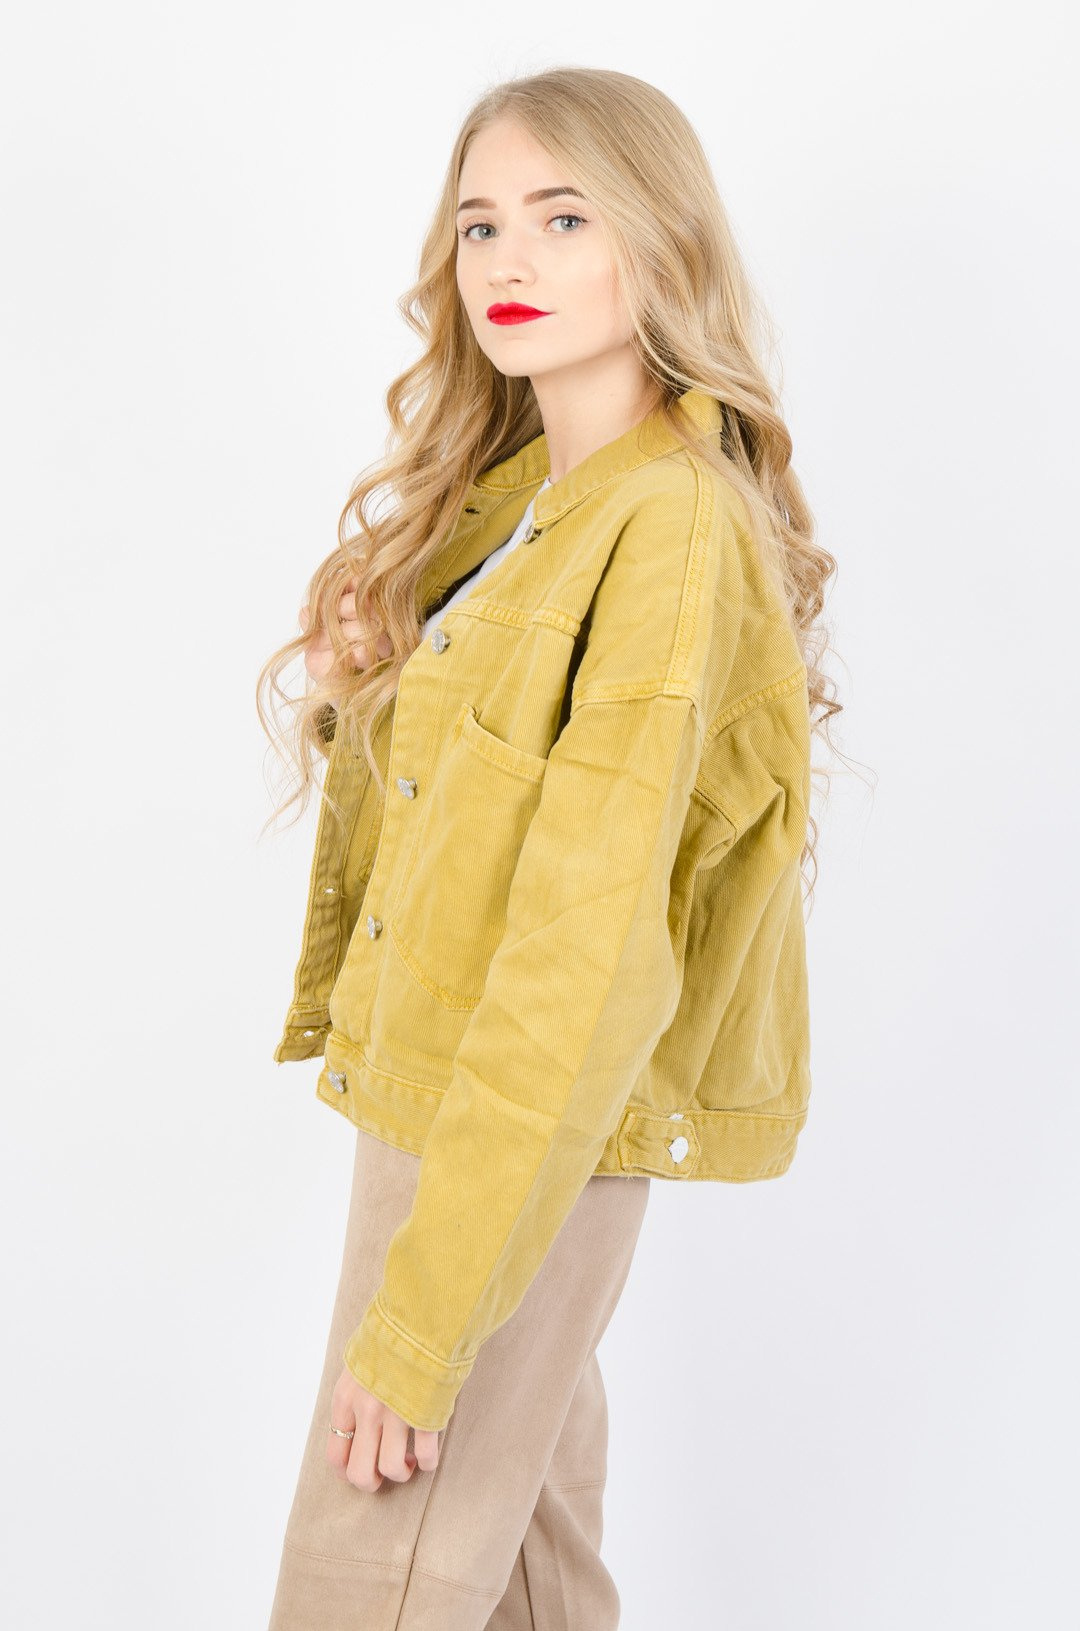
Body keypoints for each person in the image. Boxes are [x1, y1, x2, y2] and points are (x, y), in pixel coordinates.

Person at [256, 64, 839, 1631]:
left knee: (363, 1590)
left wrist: (424, 1318)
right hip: (451, 1114)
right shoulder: (530, 500)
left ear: (660, 238)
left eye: (564, 219)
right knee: (529, 1586)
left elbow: (587, 956)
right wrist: (375, 676)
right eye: (482, 225)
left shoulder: (667, 529)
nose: (510, 260)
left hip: (503, 1142)